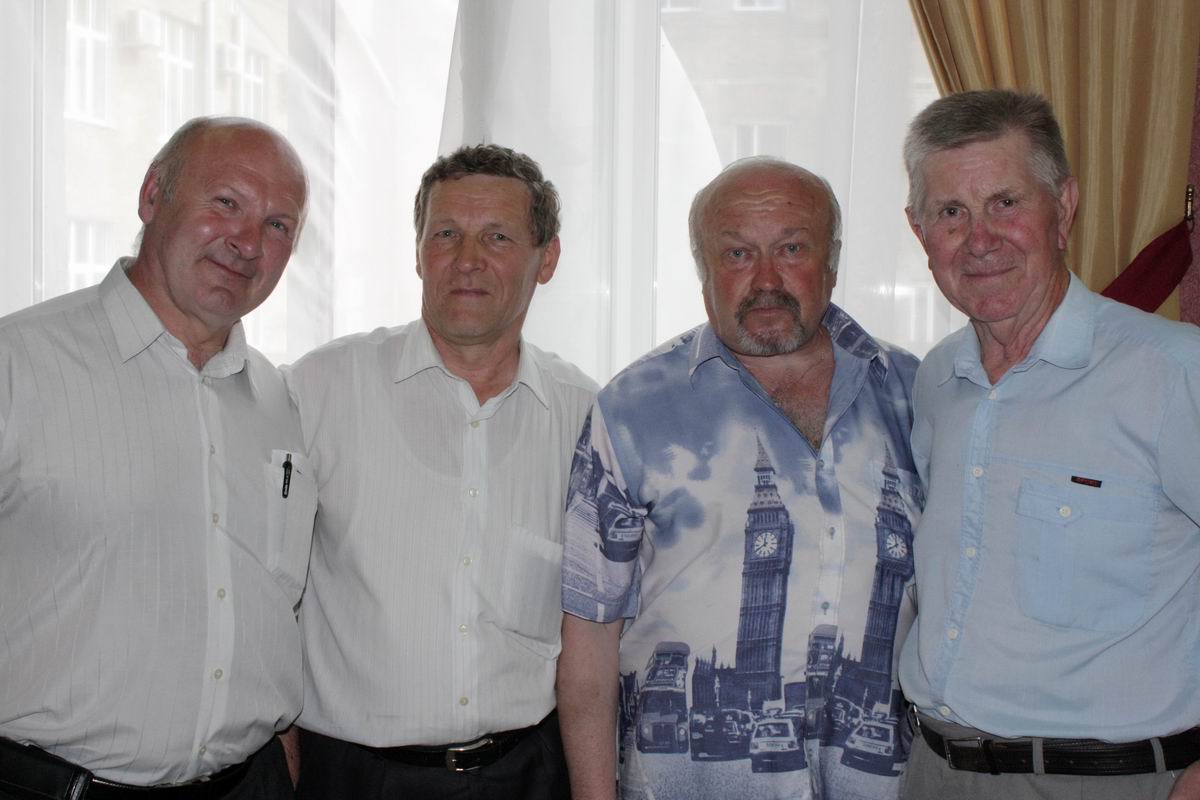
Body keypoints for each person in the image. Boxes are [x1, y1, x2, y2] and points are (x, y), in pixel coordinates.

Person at [557, 157, 923, 800]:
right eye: (737, 254)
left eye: (792, 248)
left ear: (833, 261)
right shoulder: (633, 408)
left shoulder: (917, 396)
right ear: (704, 269)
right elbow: (589, 635)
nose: (766, 280)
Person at [898, 89, 1200, 800]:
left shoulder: (1171, 371)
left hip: (1112, 782)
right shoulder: (936, 380)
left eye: (1005, 203)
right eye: (951, 212)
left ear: (1063, 209)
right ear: (919, 231)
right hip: (933, 772)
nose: (980, 239)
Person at [0, 117, 314, 797]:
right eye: (225, 202)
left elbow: (273, 603)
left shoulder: (280, 402)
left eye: (277, 225)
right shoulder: (17, 363)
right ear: (151, 196)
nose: (246, 242)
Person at [285, 143, 596, 799]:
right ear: (419, 251)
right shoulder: (320, 390)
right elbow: (264, 591)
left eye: (498, 237)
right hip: (352, 778)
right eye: (446, 234)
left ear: (547, 259)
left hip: (527, 774)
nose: (468, 259)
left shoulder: (587, 418)